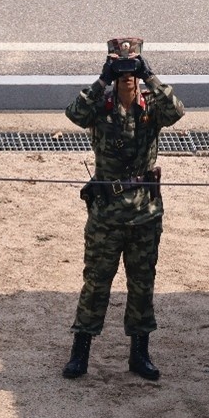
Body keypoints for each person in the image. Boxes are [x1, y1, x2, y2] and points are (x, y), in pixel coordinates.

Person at [62, 37, 185, 381]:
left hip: (145, 214)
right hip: (107, 216)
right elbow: (74, 113)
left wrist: (151, 76)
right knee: (96, 283)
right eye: (123, 71)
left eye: (133, 70)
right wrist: (102, 79)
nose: (127, 77)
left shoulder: (151, 107)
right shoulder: (100, 107)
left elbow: (177, 110)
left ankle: (139, 354)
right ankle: (80, 352)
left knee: (142, 285)